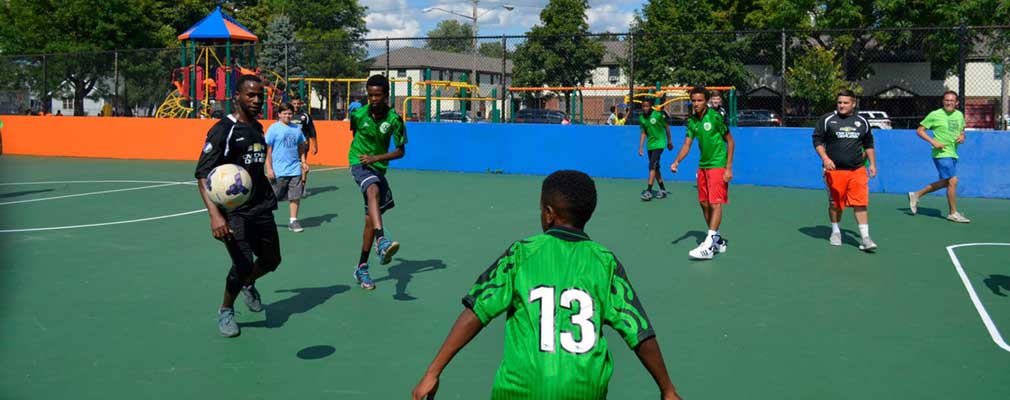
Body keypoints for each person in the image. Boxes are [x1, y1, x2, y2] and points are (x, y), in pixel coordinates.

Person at [411, 170, 681, 400]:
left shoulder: (521, 253)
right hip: (584, 389)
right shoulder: (605, 262)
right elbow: (639, 332)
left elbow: (477, 311)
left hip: (522, 388)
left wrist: (433, 372)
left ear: (549, 214)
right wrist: (667, 389)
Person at [194, 74, 281, 338]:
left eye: (260, 96)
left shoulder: (257, 127)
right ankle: (226, 310)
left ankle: (248, 283)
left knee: (272, 260)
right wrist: (215, 216)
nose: (256, 100)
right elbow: (202, 174)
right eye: (250, 95)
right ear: (237, 97)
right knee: (242, 264)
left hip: (261, 205)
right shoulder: (223, 130)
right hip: (234, 212)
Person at [348, 75, 407, 290]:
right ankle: (382, 240)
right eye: (370, 95)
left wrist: (376, 158)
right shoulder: (358, 114)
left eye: (378, 95)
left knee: (369, 222)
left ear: (386, 96)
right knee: (372, 188)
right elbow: (355, 137)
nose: (373, 99)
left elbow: (401, 151)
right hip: (359, 162)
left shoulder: (394, 120)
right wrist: (366, 158)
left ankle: (362, 267)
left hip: (377, 165)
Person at [670, 86, 734, 260]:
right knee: (704, 203)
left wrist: (728, 167)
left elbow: (730, 141)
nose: (696, 103)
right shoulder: (692, 122)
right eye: (694, 100)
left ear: (706, 101)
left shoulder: (715, 117)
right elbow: (687, 145)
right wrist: (677, 161)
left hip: (718, 164)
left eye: (699, 100)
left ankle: (709, 244)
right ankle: (717, 240)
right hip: (703, 166)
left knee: (715, 203)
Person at [812, 89, 878, 251]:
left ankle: (865, 238)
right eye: (839, 102)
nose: (842, 105)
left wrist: (873, 164)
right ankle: (835, 232)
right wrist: (825, 159)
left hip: (857, 170)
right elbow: (817, 140)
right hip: (834, 171)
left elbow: (868, 144)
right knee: (836, 204)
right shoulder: (827, 119)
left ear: (853, 104)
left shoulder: (862, 121)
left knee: (860, 203)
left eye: (845, 103)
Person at [908, 91, 970, 223]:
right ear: (943, 101)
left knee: (946, 182)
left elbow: (962, 129)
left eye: (952, 100)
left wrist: (962, 136)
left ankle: (916, 195)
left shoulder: (959, 115)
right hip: (941, 153)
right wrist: (933, 141)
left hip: (953, 153)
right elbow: (919, 130)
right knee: (953, 181)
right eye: (946, 100)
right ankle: (953, 213)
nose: (949, 102)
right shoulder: (935, 114)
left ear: (956, 103)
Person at [265, 102, 309, 232]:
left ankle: (293, 221)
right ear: (279, 114)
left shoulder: (296, 129)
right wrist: (269, 168)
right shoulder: (273, 128)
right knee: (273, 197)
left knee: (295, 196)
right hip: (278, 170)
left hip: (294, 168)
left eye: (289, 113)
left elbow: (301, 146)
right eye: (284, 113)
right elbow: (268, 149)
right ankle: (264, 219)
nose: (287, 116)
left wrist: (303, 161)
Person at [637, 98, 673, 201]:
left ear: (651, 106)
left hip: (660, 143)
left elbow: (667, 128)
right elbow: (643, 133)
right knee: (656, 167)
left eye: (647, 106)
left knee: (652, 166)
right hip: (650, 145)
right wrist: (640, 147)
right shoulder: (641, 118)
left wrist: (669, 142)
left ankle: (648, 191)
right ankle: (662, 189)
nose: (645, 108)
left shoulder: (657, 115)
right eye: (643, 106)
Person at [290, 95, 318, 196]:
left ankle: (302, 187)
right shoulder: (287, 114)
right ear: (291, 104)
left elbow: (312, 131)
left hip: (303, 144)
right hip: (289, 145)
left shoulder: (305, 116)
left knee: (302, 164)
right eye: (294, 104)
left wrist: (315, 145)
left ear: (301, 104)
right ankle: (289, 187)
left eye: (298, 104)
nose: (296, 106)